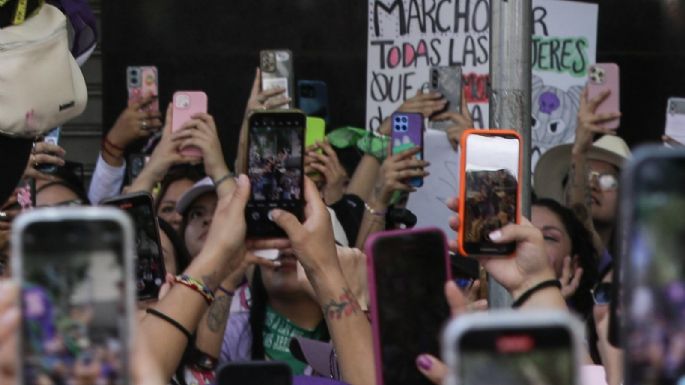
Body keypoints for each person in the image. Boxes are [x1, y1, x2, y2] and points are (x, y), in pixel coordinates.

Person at [534, 88, 630, 269]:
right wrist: (579, 153)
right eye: (584, 175)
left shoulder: (639, 266)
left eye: (608, 180)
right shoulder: (549, 262)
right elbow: (580, 224)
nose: (592, 185)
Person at [532, 198, 598, 319]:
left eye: (549, 238)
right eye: (523, 233)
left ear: (574, 266)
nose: (531, 243)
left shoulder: (581, 330)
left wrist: (551, 305)